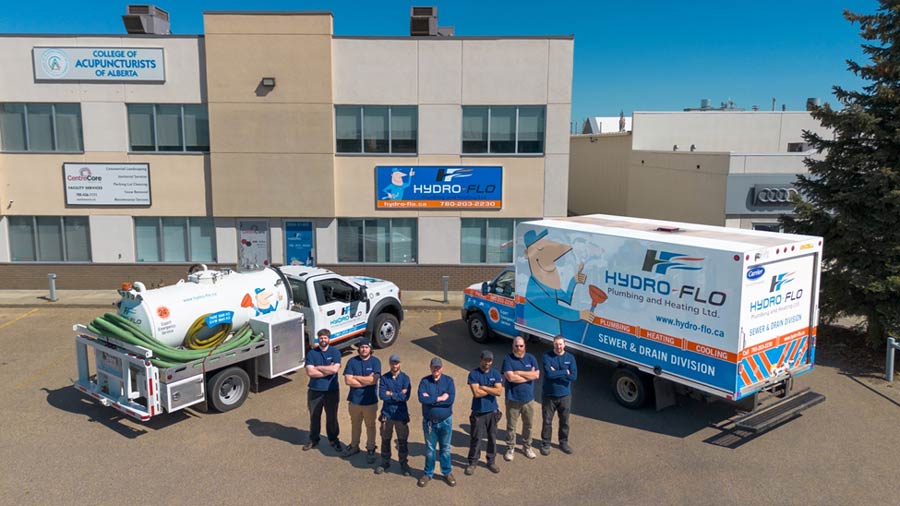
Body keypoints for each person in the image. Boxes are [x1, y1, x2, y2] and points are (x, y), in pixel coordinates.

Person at [417, 357, 456, 488]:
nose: (436, 369)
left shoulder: (449, 381)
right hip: (429, 423)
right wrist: (440, 398)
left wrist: (431, 399)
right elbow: (422, 398)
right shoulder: (424, 381)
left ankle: (447, 472)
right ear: (430, 367)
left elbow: (450, 400)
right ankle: (428, 473)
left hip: (446, 422)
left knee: (445, 448)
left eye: (438, 367)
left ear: (442, 368)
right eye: (434, 367)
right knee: (430, 449)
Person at [303, 329, 343, 452]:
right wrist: (328, 369)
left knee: (332, 416)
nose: (323, 340)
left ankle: (333, 439)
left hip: (331, 390)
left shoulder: (335, 352)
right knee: (314, 416)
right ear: (318, 339)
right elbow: (310, 372)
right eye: (321, 338)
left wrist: (319, 368)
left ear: (329, 339)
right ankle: (314, 439)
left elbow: (335, 370)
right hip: (315, 391)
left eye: (325, 338)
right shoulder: (312, 353)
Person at [342, 340, 382, 464]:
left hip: (370, 402)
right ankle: (354, 446)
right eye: (362, 347)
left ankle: (370, 448)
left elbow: (374, 380)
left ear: (370, 349)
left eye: (366, 347)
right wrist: (366, 380)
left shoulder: (375, 362)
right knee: (355, 424)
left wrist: (356, 377)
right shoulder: (352, 361)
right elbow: (348, 381)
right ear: (358, 349)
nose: (364, 349)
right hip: (354, 401)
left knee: (370, 426)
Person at [501, 336, 540, 461]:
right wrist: (529, 376)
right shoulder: (507, 359)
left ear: (525, 346)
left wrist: (519, 372)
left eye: (521, 345)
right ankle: (510, 448)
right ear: (513, 346)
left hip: (528, 399)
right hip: (513, 399)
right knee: (511, 426)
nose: (519, 348)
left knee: (528, 425)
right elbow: (511, 378)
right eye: (516, 346)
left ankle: (526, 446)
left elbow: (537, 375)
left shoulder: (531, 358)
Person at [465, 350, 503, 475]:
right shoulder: (474, 374)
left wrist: (483, 387)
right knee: (476, 438)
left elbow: (499, 392)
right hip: (478, 412)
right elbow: (476, 393)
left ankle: (491, 461)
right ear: (481, 360)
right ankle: (472, 462)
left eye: (490, 360)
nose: (487, 362)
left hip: (492, 412)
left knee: (492, 437)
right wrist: (491, 389)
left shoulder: (496, 373)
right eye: (485, 360)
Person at [540, 335, 578, 455]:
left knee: (565, 421)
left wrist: (555, 372)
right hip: (549, 395)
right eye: (556, 344)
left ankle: (563, 442)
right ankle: (545, 444)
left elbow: (573, 376)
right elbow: (549, 374)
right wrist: (564, 372)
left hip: (565, 396)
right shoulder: (547, 356)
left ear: (564, 345)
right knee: (547, 421)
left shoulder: (570, 358)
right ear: (553, 344)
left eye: (561, 344)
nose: (559, 346)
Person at [375, 354, 411, 476]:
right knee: (385, 440)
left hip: (401, 416)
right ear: (390, 363)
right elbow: (382, 395)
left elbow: (405, 397)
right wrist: (398, 394)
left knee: (402, 441)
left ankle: (403, 464)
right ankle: (385, 462)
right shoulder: (384, 378)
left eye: (397, 363)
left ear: (400, 363)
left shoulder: (405, 378)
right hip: (387, 415)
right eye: (392, 363)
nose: (395, 365)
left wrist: (391, 394)